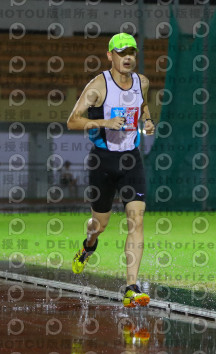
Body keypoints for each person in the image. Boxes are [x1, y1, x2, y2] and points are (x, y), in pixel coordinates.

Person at [66, 33, 155, 308]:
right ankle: (88, 245)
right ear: (110, 56)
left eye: (131, 52)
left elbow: (142, 104)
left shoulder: (142, 82)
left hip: (131, 160)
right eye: (121, 52)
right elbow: (72, 121)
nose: (127, 57)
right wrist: (104, 122)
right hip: (102, 162)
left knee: (136, 220)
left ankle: (131, 288)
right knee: (99, 225)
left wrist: (148, 120)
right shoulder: (98, 86)